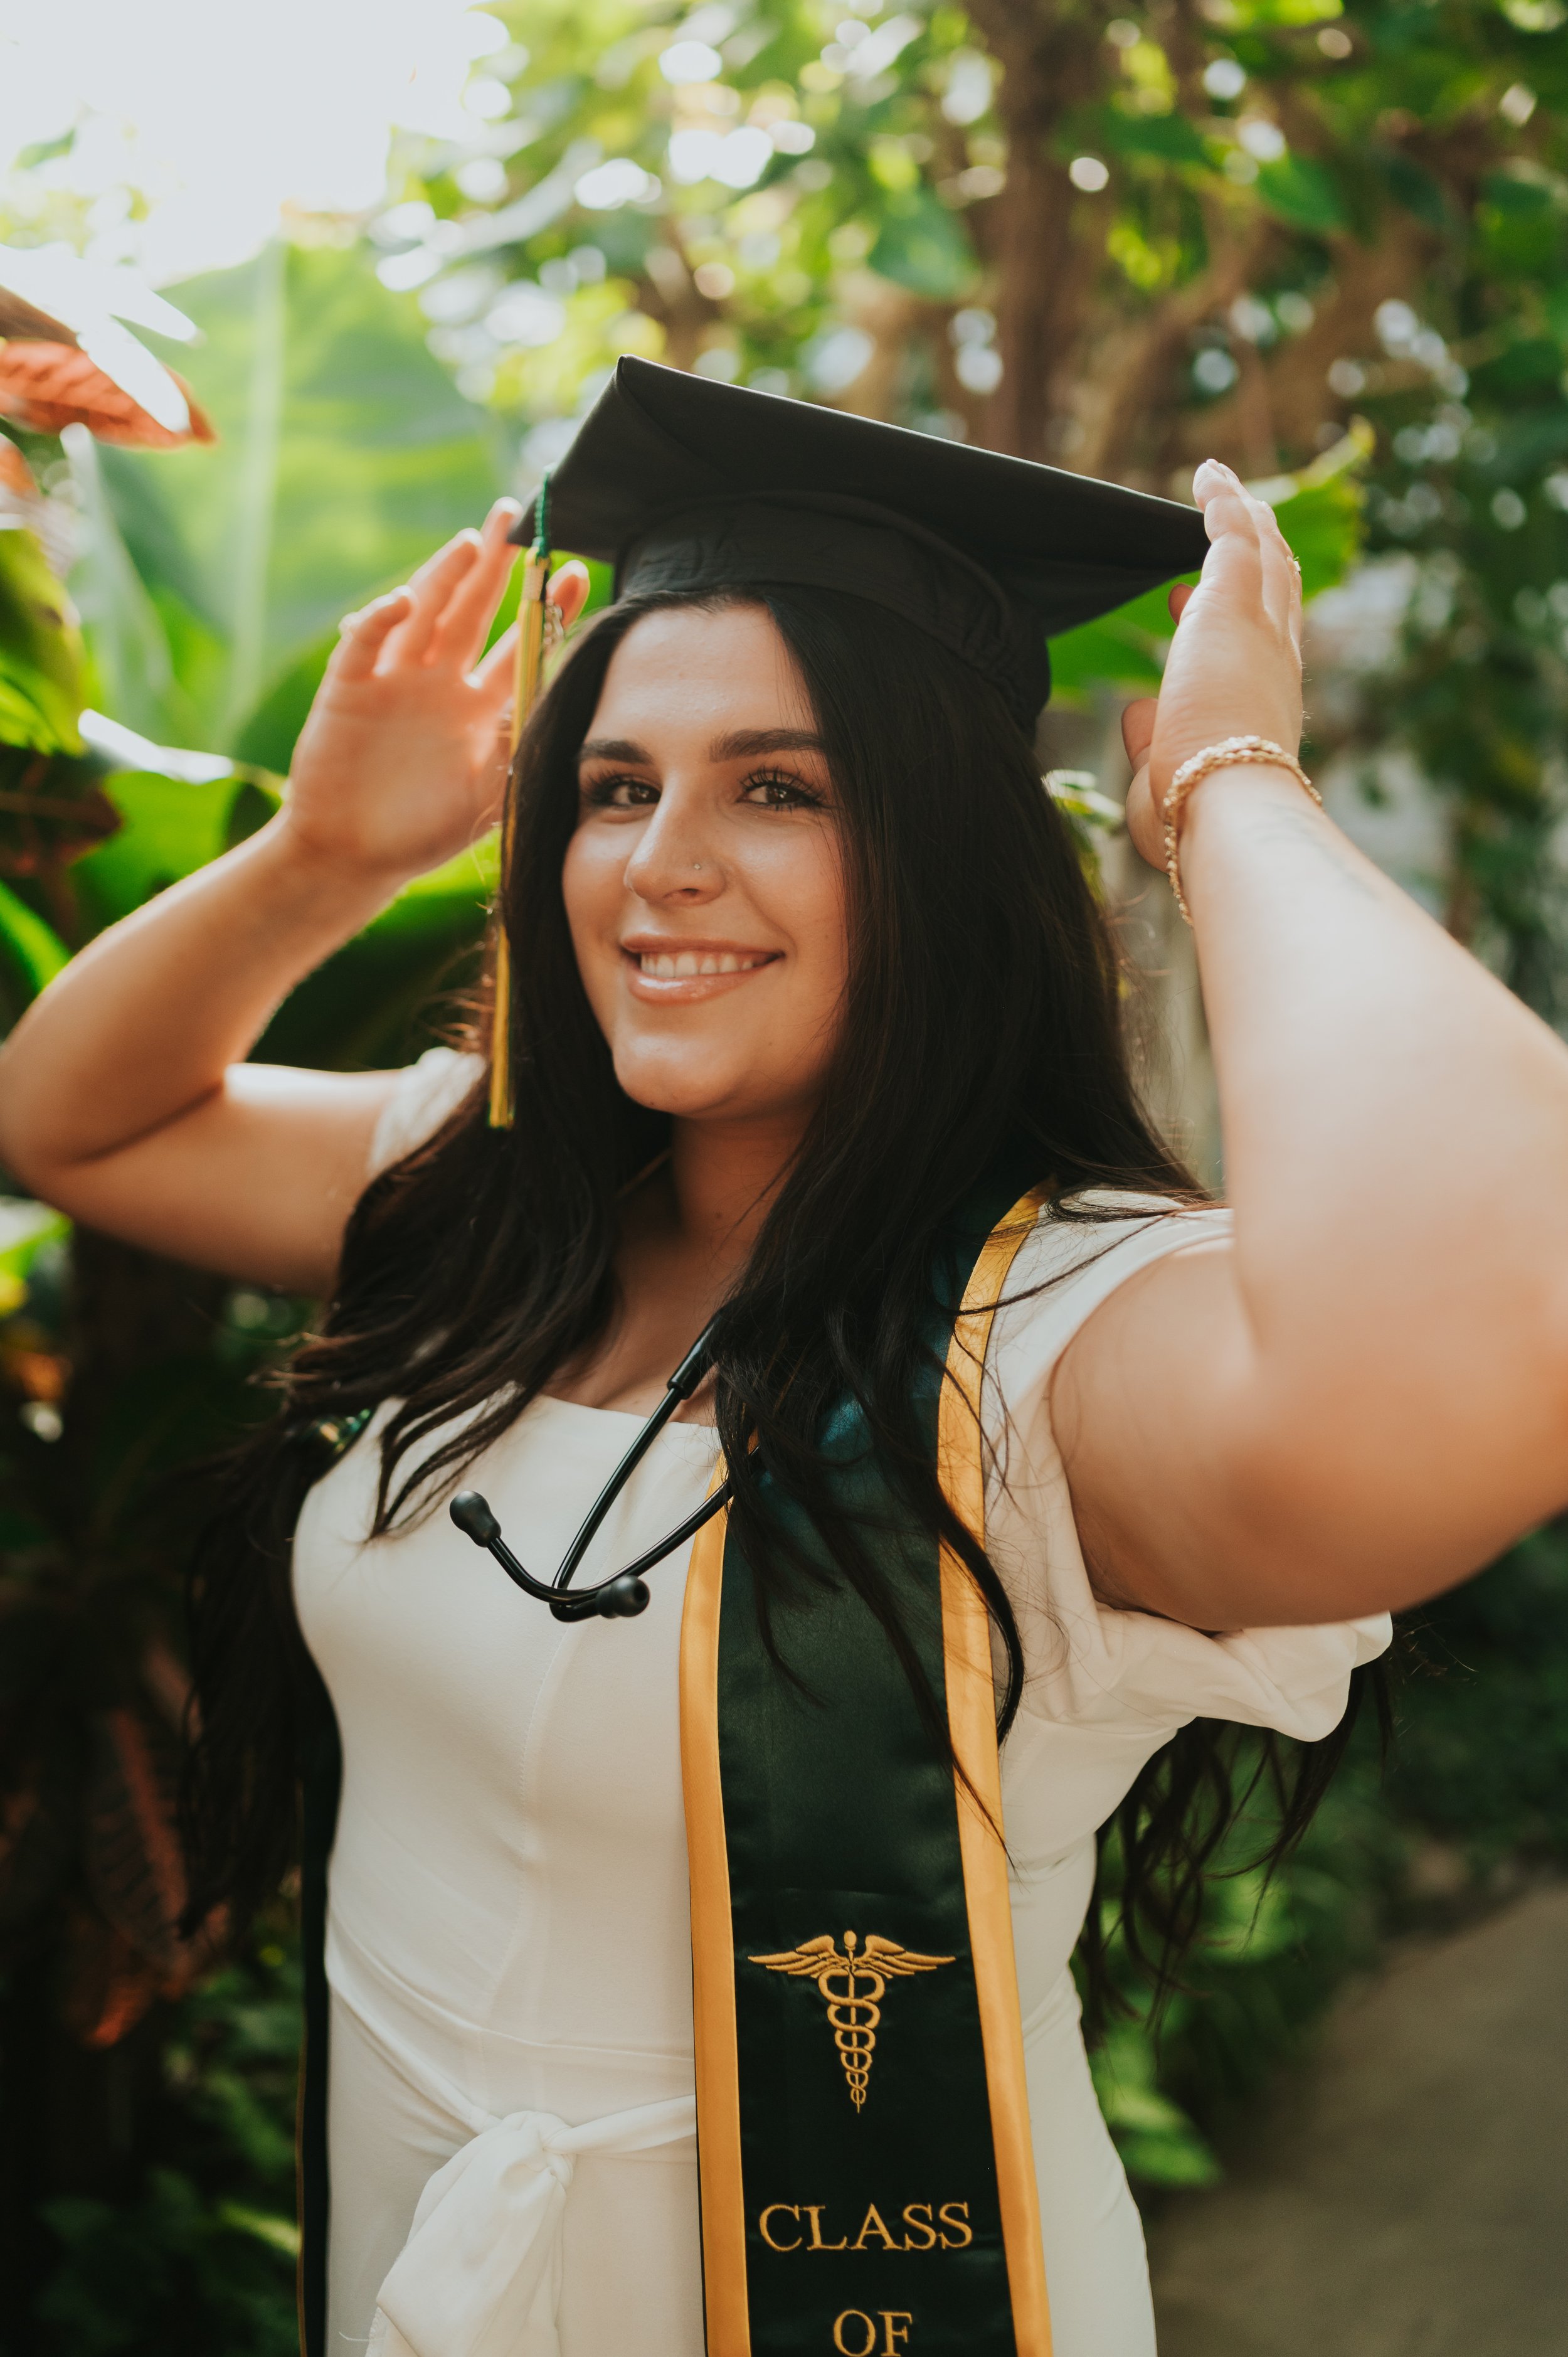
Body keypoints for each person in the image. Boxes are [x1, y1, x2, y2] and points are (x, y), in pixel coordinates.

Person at [5, 356, 1568, 2357]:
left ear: (944, 863)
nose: (660, 861)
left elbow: (1504, 1309)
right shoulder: (491, 1205)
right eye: (612, 787)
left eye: (779, 787)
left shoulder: (1054, 1346)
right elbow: (75, 1123)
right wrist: (328, 852)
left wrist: (1227, 787)